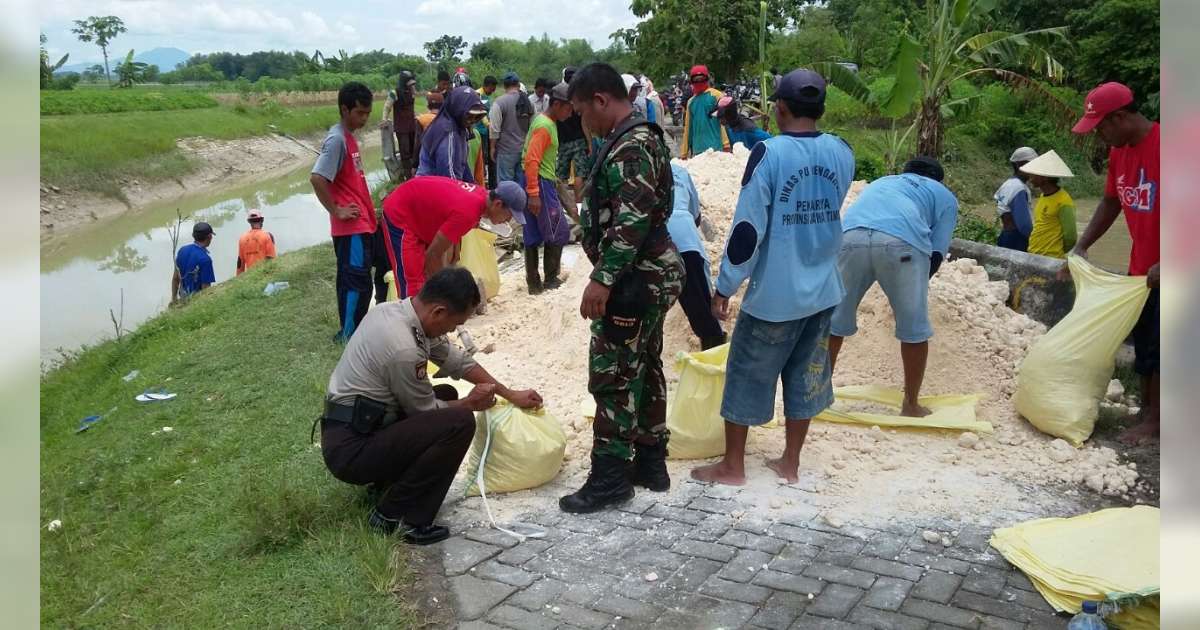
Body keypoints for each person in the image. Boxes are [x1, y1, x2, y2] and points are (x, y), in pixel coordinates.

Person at [690, 69, 855, 487]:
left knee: (747, 375)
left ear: (780, 108)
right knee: (806, 377)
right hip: (823, 290)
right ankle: (790, 463)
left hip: (776, 296)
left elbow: (747, 230)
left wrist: (725, 285)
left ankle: (733, 466)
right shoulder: (841, 151)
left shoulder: (770, 155)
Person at [320, 267, 543, 544]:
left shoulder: (395, 312)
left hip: (357, 428)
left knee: (447, 392)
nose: (451, 331)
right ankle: (397, 516)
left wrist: (510, 394)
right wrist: (469, 404)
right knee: (458, 423)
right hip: (351, 451)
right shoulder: (404, 347)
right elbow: (424, 412)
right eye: (453, 325)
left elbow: (457, 362)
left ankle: (388, 486)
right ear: (438, 312)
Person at [560, 63, 683, 513]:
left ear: (600, 101)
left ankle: (610, 477)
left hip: (636, 278)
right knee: (646, 362)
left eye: (580, 111)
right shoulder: (636, 136)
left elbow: (630, 222)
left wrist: (601, 280)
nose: (580, 121)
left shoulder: (630, 146)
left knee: (612, 372)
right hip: (648, 272)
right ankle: (651, 462)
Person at [1062, 81, 1159, 444]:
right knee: (1148, 342)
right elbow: (1110, 203)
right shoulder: (1120, 153)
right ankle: (1148, 413)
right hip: (1142, 272)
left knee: (1168, 346)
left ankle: (1156, 424)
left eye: (1101, 127)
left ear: (1120, 117)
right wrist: (1081, 246)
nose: (1099, 136)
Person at [828, 158, 958, 418]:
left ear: (905, 173)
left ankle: (816, 396)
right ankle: (910, 404)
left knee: (831, 323)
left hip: (849, 238)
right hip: (902, 244)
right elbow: (936, 252)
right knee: (914, 329)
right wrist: (914, 286)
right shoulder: (944, 196)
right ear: (937, 180)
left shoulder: (883, 182)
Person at [381, 178, 528, 299]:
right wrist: (446, 292)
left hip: (421, 217)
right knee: (412, 284)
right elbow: (433, 255)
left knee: (428, 281)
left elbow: (446, 245)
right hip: (400, 213)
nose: (507, 221)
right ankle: (413, 330)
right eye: (509, 216)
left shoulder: (480, 198)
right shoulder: (468, 212)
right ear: (498, 204)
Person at [310, 82, 378, 342]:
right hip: (352, 229)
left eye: (367, 114)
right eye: (359, 113)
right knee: (355, 283)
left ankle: (355, 332)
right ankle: (349, 336)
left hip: (362, 225)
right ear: (344, 109)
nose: (364, 119)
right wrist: (336, 210)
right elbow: (317, 178)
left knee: (361, 283)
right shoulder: (337, 139)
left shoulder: (348, 137)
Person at [519, 82, 574, 294]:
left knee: (532, 231)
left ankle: (533, 283)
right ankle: (551, 278)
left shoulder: (543, 121)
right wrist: (534, 193)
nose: (571, 113)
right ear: (558, 104)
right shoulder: (545, 126)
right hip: (540, 181)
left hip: (534, 180)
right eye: (569, 108)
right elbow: (533, 159)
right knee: (558, 230)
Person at [669, 163, 726, 349]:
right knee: (700, 303)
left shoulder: (638, 167)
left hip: (650, 238)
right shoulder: (680, 171)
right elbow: (695, 215)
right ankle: (713, 350)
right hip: (685, 237)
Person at [416, 85, 487, 184]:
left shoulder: (461, 128)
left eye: (477, 117)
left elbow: (463, 165)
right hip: (431, 188)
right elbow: (449, 177)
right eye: (469, 116)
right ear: (458, 110)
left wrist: (473, 187)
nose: (472, 121)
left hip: (444, 185)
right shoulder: (448, 133)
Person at [1020, 150, 1077, 259]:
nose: (1030, 178)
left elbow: (1071, 237)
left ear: (1044, 177)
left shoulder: (1064, 201)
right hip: (1034, 254)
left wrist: (1056, 251)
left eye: (1034, 175)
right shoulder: (1042, 197)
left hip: (1052, 258)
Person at [555, 66, 588, 224]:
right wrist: (589, 142)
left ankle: (559, 206)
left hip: (563, 142)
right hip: (579, 140)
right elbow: (585, 121)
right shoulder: (579, 96)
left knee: (560, 176)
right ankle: (579, 206)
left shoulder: (559, 94)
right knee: (580, 174)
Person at [489, 72, 534, 183]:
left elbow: (494, 129)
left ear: (504, 86)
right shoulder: (528, 102)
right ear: (518, 84)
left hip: (506, 150)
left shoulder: (499, 102)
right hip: (524, 150)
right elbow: (533, 126)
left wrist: (492, 148)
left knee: (506, 185)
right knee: (521, 183)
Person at [680, 65, 730, 158]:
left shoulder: (717, 96)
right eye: (696, 79)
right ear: (692, 81)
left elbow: (725, 122)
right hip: (698, 151)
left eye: (701, 79)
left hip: (716, 149)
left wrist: (726, 144)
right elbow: (688, 129)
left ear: (706, 79)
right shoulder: (691, 102)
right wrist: (684, 153)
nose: (699, 82)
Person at [995, 146, 1037, 252]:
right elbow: (1024, 225)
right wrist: (1035, 241)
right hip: (1017, 239)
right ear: (1020, 165)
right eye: (1032, 164)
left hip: (1005, 236)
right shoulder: (1019, 188)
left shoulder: (1007, 184)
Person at [172, 221, 216, 302]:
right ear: (209, 237)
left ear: (193, 236)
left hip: (183, 296)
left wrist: (174, 299)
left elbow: (175, 278)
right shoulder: (205, 260)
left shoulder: (182, 250)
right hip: (196, 300)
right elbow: (206, 289)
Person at [236, 211, 277, 275]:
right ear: (262, 221)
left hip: (250, 275)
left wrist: (238, 279)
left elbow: (240, 263)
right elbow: (271, 258)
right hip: (265, 273)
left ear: (249, 222)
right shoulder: (268, 235)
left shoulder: (242, 238)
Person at [477, 76, 500, 187]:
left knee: (488, 158)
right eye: (492, 88)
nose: (493, 90)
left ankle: (490, 183)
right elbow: (481, 113)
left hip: (485, 132)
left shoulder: (485, 95)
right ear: (488, 85)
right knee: (482, 158)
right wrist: (489, 124)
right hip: (479, 132)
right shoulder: (479, 95)